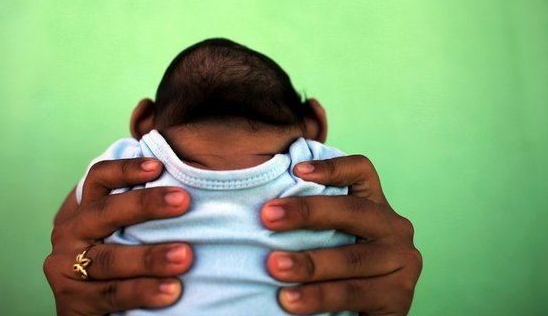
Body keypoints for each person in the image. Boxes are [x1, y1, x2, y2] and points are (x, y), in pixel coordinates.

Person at [44, 40, 423, 316]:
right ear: (316, 124)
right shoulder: (325, 168)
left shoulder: (127, 161)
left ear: (144, 123)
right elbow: (372, 253)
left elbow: (67, 231)